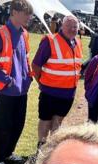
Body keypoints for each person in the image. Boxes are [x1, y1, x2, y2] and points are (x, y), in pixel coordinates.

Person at [0, 0, 34, 164]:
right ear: (14, 12)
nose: (29, 17)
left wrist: (28, 77)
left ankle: (8, 152)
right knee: (2, 125)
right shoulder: (0, 34)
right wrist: (6, 79)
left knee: (17, 124)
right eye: (27, 13)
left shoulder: (25, 34)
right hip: (6, 90)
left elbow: (25, 58)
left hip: (22, 89)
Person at [32, 15, 83, 148]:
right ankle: (41, 147)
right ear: (62, 26)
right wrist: (41, 83)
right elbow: (36, 65)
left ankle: (52, 148)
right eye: (69, 26)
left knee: (58, 121)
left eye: (75, 27)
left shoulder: (77, 43)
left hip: (68, 94)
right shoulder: (50, 41)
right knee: (45, 120)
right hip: (49, 92)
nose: (72, 29)